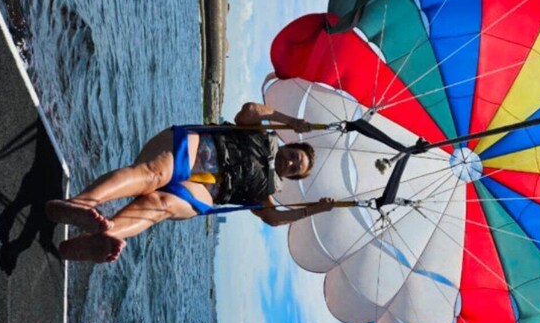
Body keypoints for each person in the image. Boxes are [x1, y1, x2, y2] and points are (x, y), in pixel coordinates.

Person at [45, 102, 336, 263]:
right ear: (288, 145)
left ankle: (97, 238)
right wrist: (290, 120)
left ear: (290, 177)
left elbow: (273, 218)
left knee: (161, 205)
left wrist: (312, 210)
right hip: (197, 147)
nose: (291, 163)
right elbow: (249, 110)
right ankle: (79, 206)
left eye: (295, 169)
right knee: (152, 175)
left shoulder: (265, 193)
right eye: (294, 156)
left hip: (204, 190)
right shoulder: (260, 133)